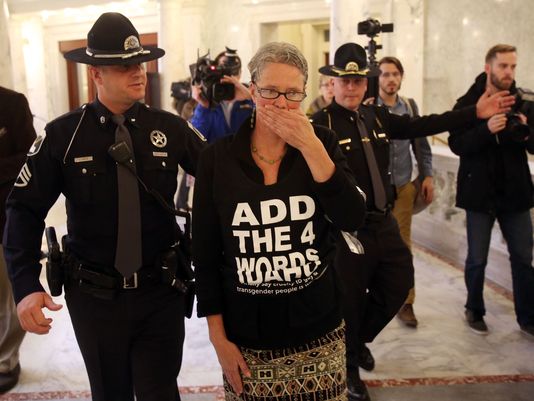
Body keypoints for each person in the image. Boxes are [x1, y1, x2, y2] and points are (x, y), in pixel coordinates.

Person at [2, 13, 206, 401]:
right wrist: (26, 285)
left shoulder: (171, 128)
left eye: (141, 62)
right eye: (124, 65)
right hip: (95, 299)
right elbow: (23, 209)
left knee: (160, 393)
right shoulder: (63, 135)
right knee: (109, 393)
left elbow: (220, 179)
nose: (139, 72)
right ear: (96, 74)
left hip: (160, 291)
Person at [310, 42, 514, 401]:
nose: (352, 88)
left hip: (384, 221)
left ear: (365, 84)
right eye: (345, 81)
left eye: (358, 81)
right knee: (351, 300)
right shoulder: (320, 124)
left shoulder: (376, 117)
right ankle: (350, 365)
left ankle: (356, 342)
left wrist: (474, 112)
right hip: (348, 231)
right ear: (334, 84)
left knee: (398, 282)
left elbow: (425, 124)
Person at [192, 42, 367, 401]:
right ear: (252, 90)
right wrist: (217, 337)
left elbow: (352, 216)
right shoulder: (216, 160)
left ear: (304, 94)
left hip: (318, 328)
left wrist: (312, 147)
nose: (281, 103)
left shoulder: (323, 144)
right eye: (270, 91)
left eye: (292, 93)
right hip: (247, 336)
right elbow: (206, 254)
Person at [449, 44, 534, 337]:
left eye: (512, 66)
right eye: (503, 67)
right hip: (479, 193)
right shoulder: (467, 102)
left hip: (516, 193)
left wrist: (526, 130)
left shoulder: (524, 101)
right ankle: (474, 308)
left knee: (524, 257)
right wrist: (487, 130)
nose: (509, 73)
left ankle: (528, 316)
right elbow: (457, 144)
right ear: (489, 68)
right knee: (477, 258)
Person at [377, 56, 433, 327]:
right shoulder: (368, 108)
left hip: (402, 188)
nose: (391, 79)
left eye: (395, 74)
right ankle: (375, 298)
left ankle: (406, 302)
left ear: (401, 77)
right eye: (385, 74)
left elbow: (421, 145)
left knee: (403, 247)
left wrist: (428, 175)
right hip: (375, 191)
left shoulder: (409, 107)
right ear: (377, 79)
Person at [0, 86, 36, 393]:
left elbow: (29, 156)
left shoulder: (12, 103)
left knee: (5, 300)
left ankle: (5, 362)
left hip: (3, 217)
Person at [191, 48, 254, 143]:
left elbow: (267, 131)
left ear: (240, 73)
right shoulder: (208, 101)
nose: (229, 77)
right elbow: (195, 140)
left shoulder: (250, 98)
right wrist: (203, 107)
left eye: (233, 71)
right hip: (217, 156)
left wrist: (252, 98)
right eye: (223, 71)